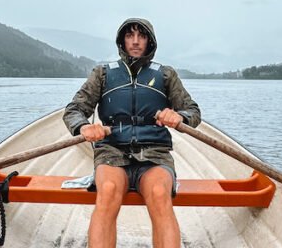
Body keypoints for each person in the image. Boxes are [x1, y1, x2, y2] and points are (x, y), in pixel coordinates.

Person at [63, 18, 201, 248]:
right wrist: (83, 127)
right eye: (130, 36)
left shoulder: (166, 75)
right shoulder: (102, 74)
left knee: (159, 194)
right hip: (112, 152)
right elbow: (74, 110)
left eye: (141, 36)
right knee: (106, 191)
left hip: (154, 154)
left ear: (150, 41)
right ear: (122, 41)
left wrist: (180, 117)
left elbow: (192, 111)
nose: (135, 41)